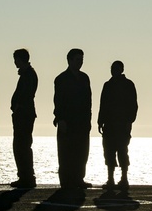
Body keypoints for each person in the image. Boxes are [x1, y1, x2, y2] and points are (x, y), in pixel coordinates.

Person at [53, 48, 92, 190]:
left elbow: (88, 102)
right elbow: (58, 101)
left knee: (82, 152)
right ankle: (66, 181)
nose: (80, 62)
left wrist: (88, 121)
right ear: (69, 60)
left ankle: (79, 178)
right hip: (67, 122)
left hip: (82, 122)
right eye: (77, 59)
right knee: (65, 152)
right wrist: (60, 119)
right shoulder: (61, 79)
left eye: (81, 60)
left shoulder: (84, 78)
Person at [97, 60, 138, 189]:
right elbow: (103, 104)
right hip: (110, 124)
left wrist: (129, 120)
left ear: (121, 69)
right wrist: (100, 120)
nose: (113, 70)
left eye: (115, 68)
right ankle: (111, 179)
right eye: (112, 68)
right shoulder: (108, 85)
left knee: (121, 151)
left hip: (121, 124)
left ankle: (123, 179)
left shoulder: (128, 85)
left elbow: (133, 105)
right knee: (109, 151)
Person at [10, 48, 38, 189]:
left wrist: (17, 107)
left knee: (22, 145)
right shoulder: (27, 74)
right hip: (23, 114)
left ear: (21, 59)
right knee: (22, 145)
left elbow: (26, 95)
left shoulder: (28, 75)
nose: (15, 62)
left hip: (24, 115)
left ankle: (26, 176)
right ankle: (25, 175)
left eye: (16, 59)